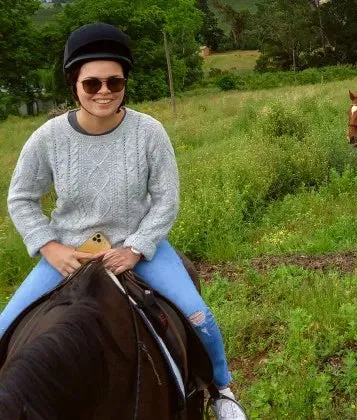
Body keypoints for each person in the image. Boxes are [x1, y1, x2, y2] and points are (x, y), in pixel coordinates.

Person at [1, 23, 246, 420]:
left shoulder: (149, 132)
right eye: (92, 83)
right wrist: (51, 247)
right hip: (70, 255)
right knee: (3, 327)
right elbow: (22, 198)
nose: (104, 92)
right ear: (73, 84)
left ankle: (222, 390)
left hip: (137, 247)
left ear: (125, 83)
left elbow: (166, 200)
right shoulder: (47, 139)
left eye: (114, 82)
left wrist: (135, 248)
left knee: (200, 316)